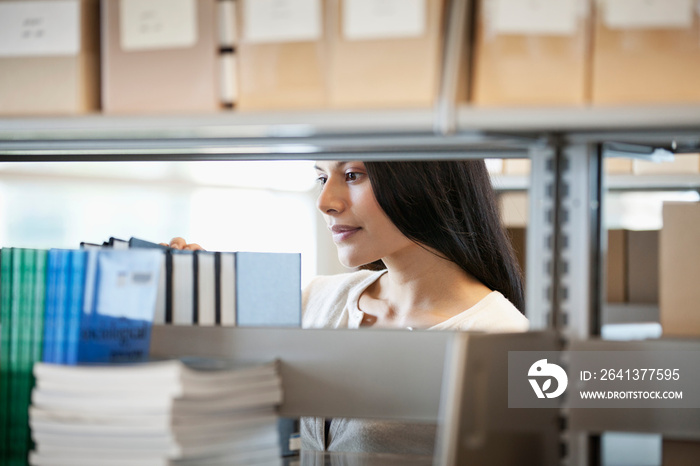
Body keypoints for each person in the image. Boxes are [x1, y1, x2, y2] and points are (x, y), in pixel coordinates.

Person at [166, 159, 528, 455]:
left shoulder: (506, 336)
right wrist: (192, 289)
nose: (325, 201)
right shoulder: (317, 298)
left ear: (423, 182)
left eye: (352, 175)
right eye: (322, 177)